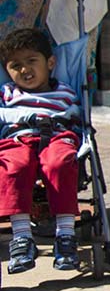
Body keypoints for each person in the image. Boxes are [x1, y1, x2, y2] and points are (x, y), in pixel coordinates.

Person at [0, 28, 81, 273]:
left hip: (56, 136)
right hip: (19, 138)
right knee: (14, 166)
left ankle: (65, 236)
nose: (25, 70)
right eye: (16, 65)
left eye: (32, 61)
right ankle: (22, 237)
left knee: (60, 163)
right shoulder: (7, 95)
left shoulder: (64, 92)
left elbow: (77, 118)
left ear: (50, 63)